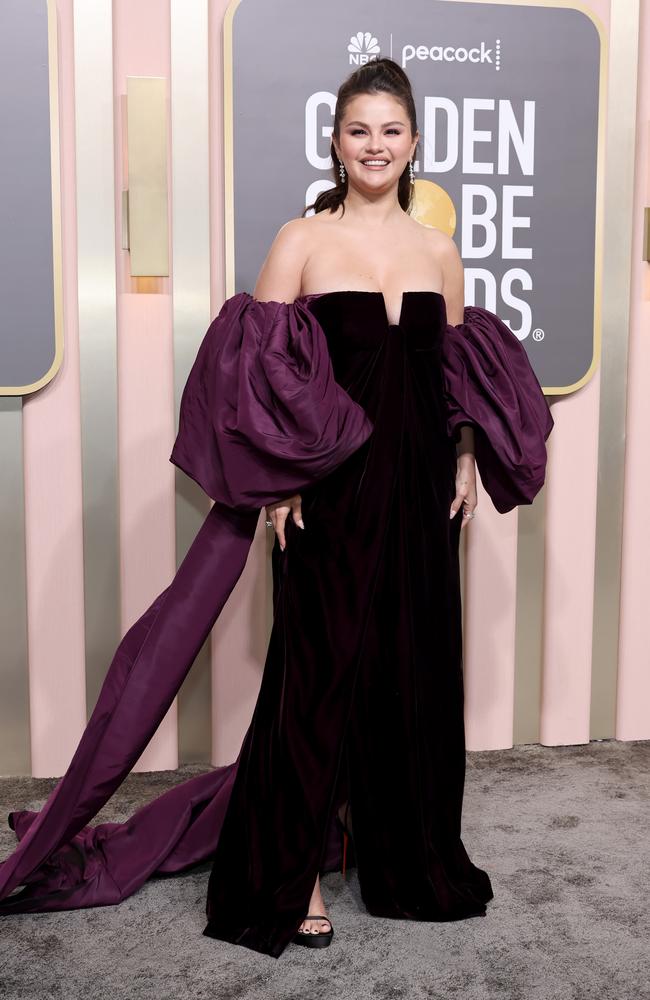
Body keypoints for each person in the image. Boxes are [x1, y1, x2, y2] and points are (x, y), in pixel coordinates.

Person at [0, 58, 553, 959]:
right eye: (358, 130)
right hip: (330, 497)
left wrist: (463, 460)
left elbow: (452, 376)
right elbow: (256, 379)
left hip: (418, 496)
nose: (375, 146)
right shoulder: (300, 241)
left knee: (411, 674)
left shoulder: (439, 251)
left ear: (416, 142)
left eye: (392, 130)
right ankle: (291, 872)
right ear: (334, 142)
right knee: (315, 679)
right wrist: (285, 480)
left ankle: (408, 860)